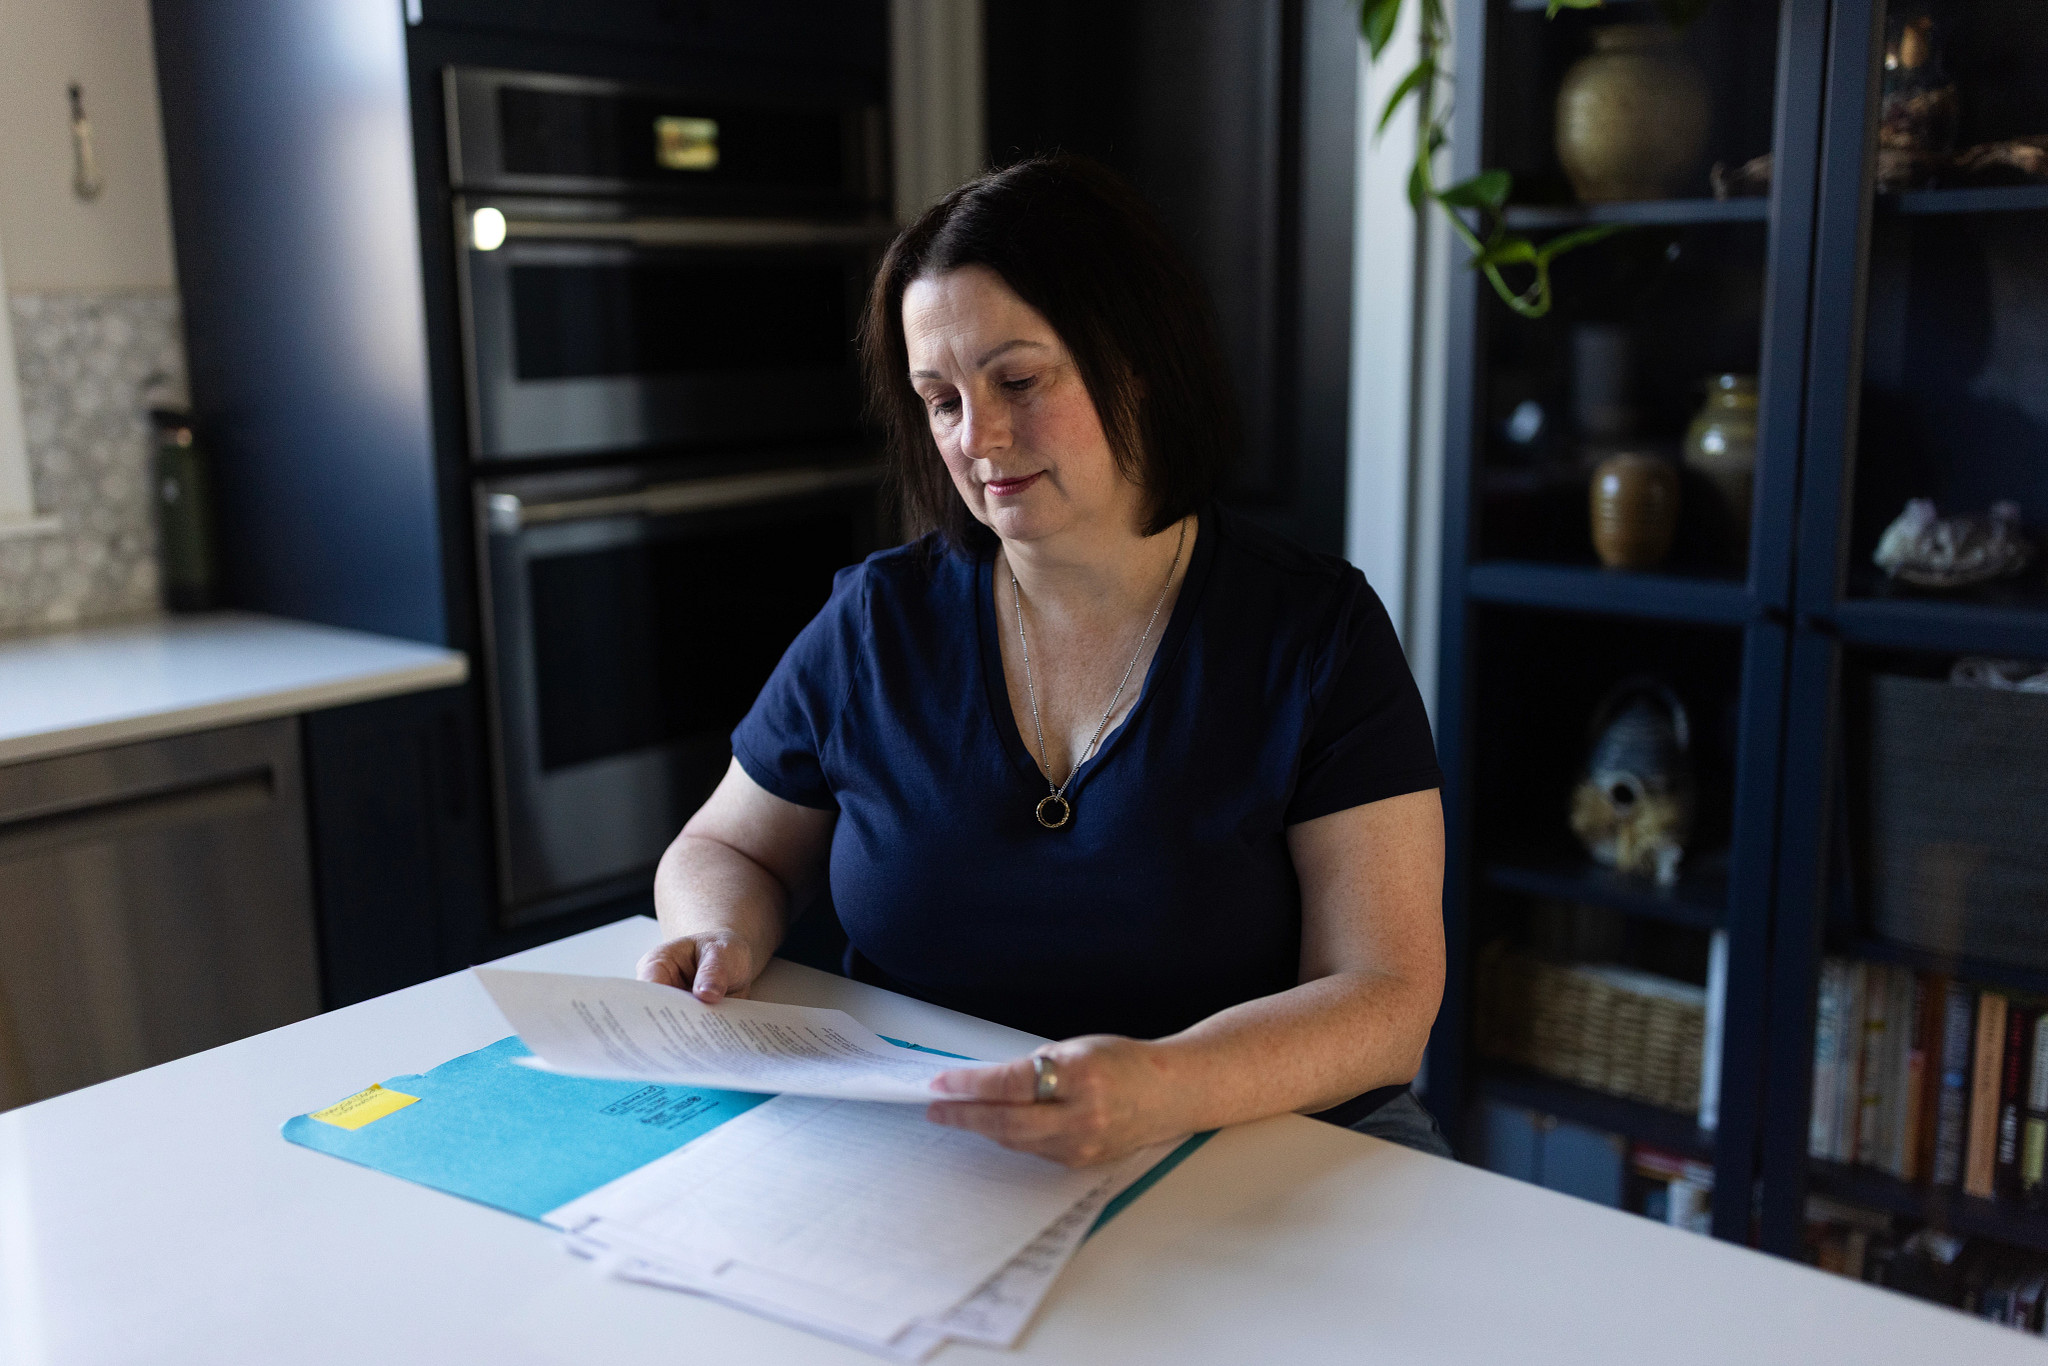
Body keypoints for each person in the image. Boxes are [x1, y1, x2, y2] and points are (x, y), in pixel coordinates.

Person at [637, 155, 1448, 1165]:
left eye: (1017, 380)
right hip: (938, 1156)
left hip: (1256, 1151)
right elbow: (726, 850)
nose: (978, 437)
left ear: (1137, 360)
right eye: (939, 400)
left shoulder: (1314, 634)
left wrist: (1164, 1084)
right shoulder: (874, 624)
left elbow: (1386, 998)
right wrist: (717, 933)